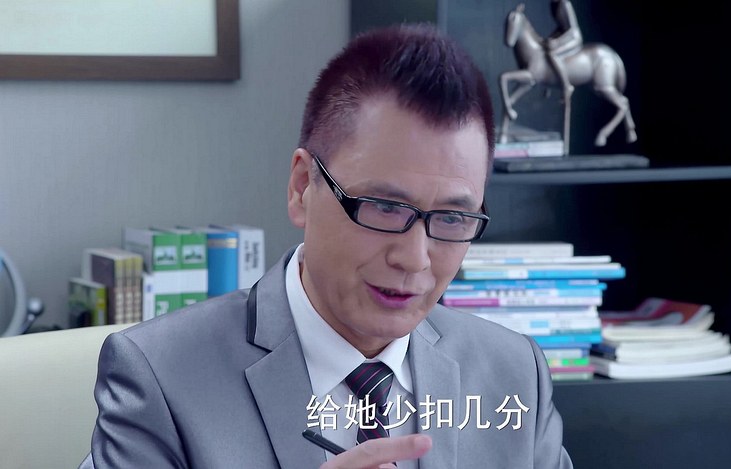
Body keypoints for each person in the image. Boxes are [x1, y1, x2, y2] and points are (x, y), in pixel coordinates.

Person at [79, 23, 573, 469]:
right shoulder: (160, 377)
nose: (414, 258)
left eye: (451, 218)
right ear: (302, 188)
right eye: (384, 207)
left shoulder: (514, 373)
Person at [545, 0, 584, 97]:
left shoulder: (565, 4)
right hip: (563, 36)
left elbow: (572, 29)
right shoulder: (553, 5)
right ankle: (548, 83)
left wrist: (557, 41)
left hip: (573, 38)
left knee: (552, 55)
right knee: (545, 49)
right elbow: (560, 27)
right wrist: (551, 38)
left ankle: (567, 86)